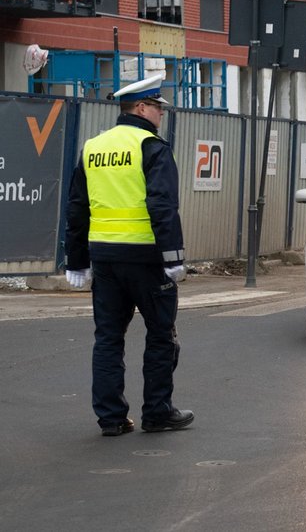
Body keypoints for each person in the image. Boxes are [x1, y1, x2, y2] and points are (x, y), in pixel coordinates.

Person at [64, 74, 194, 437]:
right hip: (147, 259)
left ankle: (111, 419)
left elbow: (77, 208)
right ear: (140, 108)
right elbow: (163, 206)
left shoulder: (93, 147)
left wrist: (76, 260)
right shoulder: (151, 146)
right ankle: (157, 413)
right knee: (160, 335)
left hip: (104, 259)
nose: (161, 114)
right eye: (157, 107)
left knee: (107, 338)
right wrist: (174, 257)